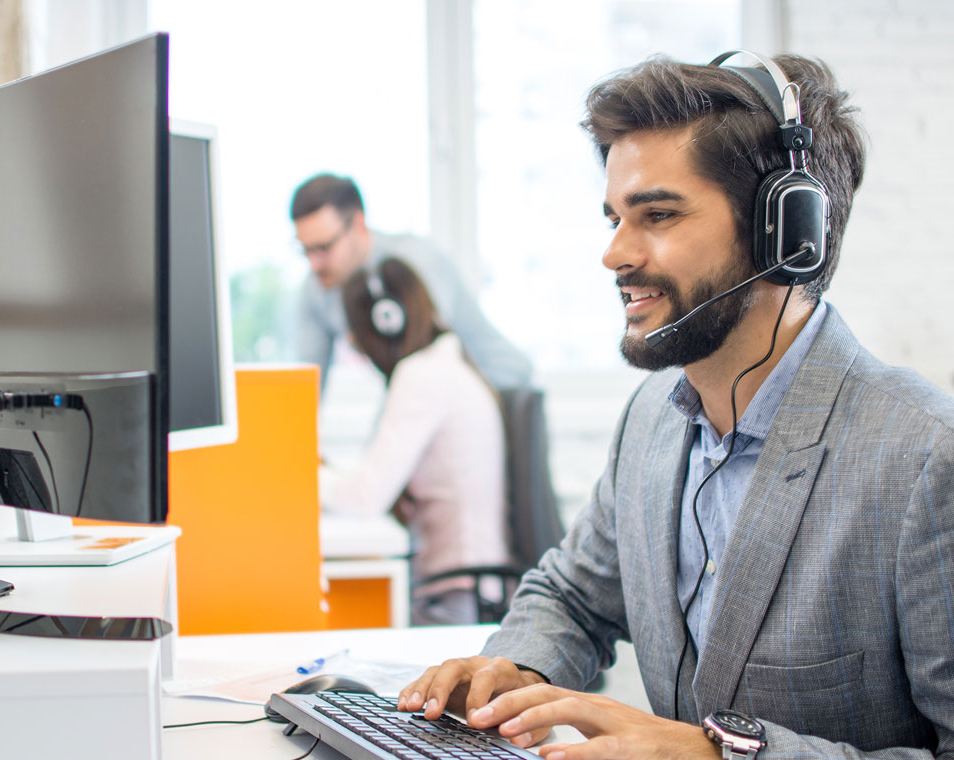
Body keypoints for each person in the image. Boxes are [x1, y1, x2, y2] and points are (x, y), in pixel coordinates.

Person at [396, 52, 954, 759]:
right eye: (614, 217)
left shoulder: (924, 458)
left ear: (785, 234)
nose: (615, 253)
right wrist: (517, 670)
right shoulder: (654, 417)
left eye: (657, 214)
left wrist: (720, 753)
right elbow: (575, 595)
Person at [318, 257, 510, 626]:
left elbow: (364, 498)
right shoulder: (442, 366)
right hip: (462, 590)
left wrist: (300, 479)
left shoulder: (423, 375)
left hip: (454, 600)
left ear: (385, 323)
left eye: (355, 335)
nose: (356, 345)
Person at [290, 173, 533, 391]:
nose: (314, 264)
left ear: (358, 224)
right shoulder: (317, 289)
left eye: (324, 248)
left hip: (499, 388)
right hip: (432, 399)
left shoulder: (413, 263)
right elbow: (305, 389)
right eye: (305, 250)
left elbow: (423, 372)